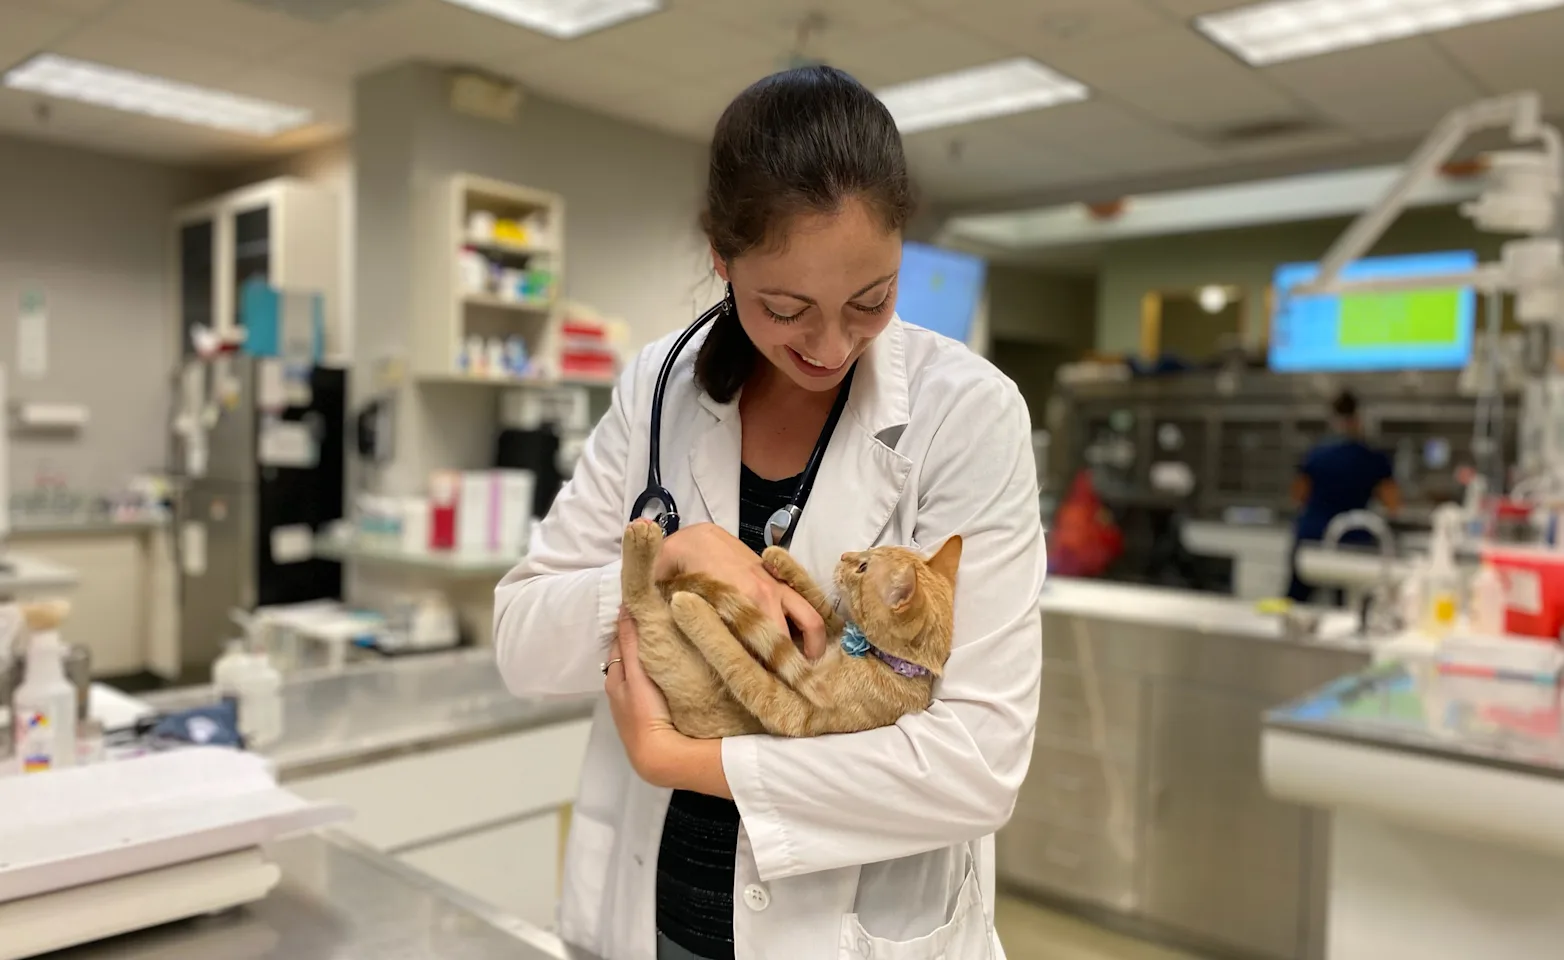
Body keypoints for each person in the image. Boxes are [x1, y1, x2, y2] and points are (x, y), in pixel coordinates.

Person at [494, 66, 1045, 960]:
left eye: (872, 300)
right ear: (721, 256)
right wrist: (667, 563)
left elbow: (975, 767)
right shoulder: (658, 389)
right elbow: (522, 643)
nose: (830, 346)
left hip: (851, 933)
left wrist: (685, 762)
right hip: (654, 917)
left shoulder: (966, 413)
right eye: (785, 309)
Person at [1286, 389, 1401, 602]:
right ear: (1360, 419)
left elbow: (1298, 495)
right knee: (1345, 606)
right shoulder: (1373, 459)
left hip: (1311, 537)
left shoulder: (1316, 454)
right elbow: (1392, 504)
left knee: (1295, 600)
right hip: (1350, 543)